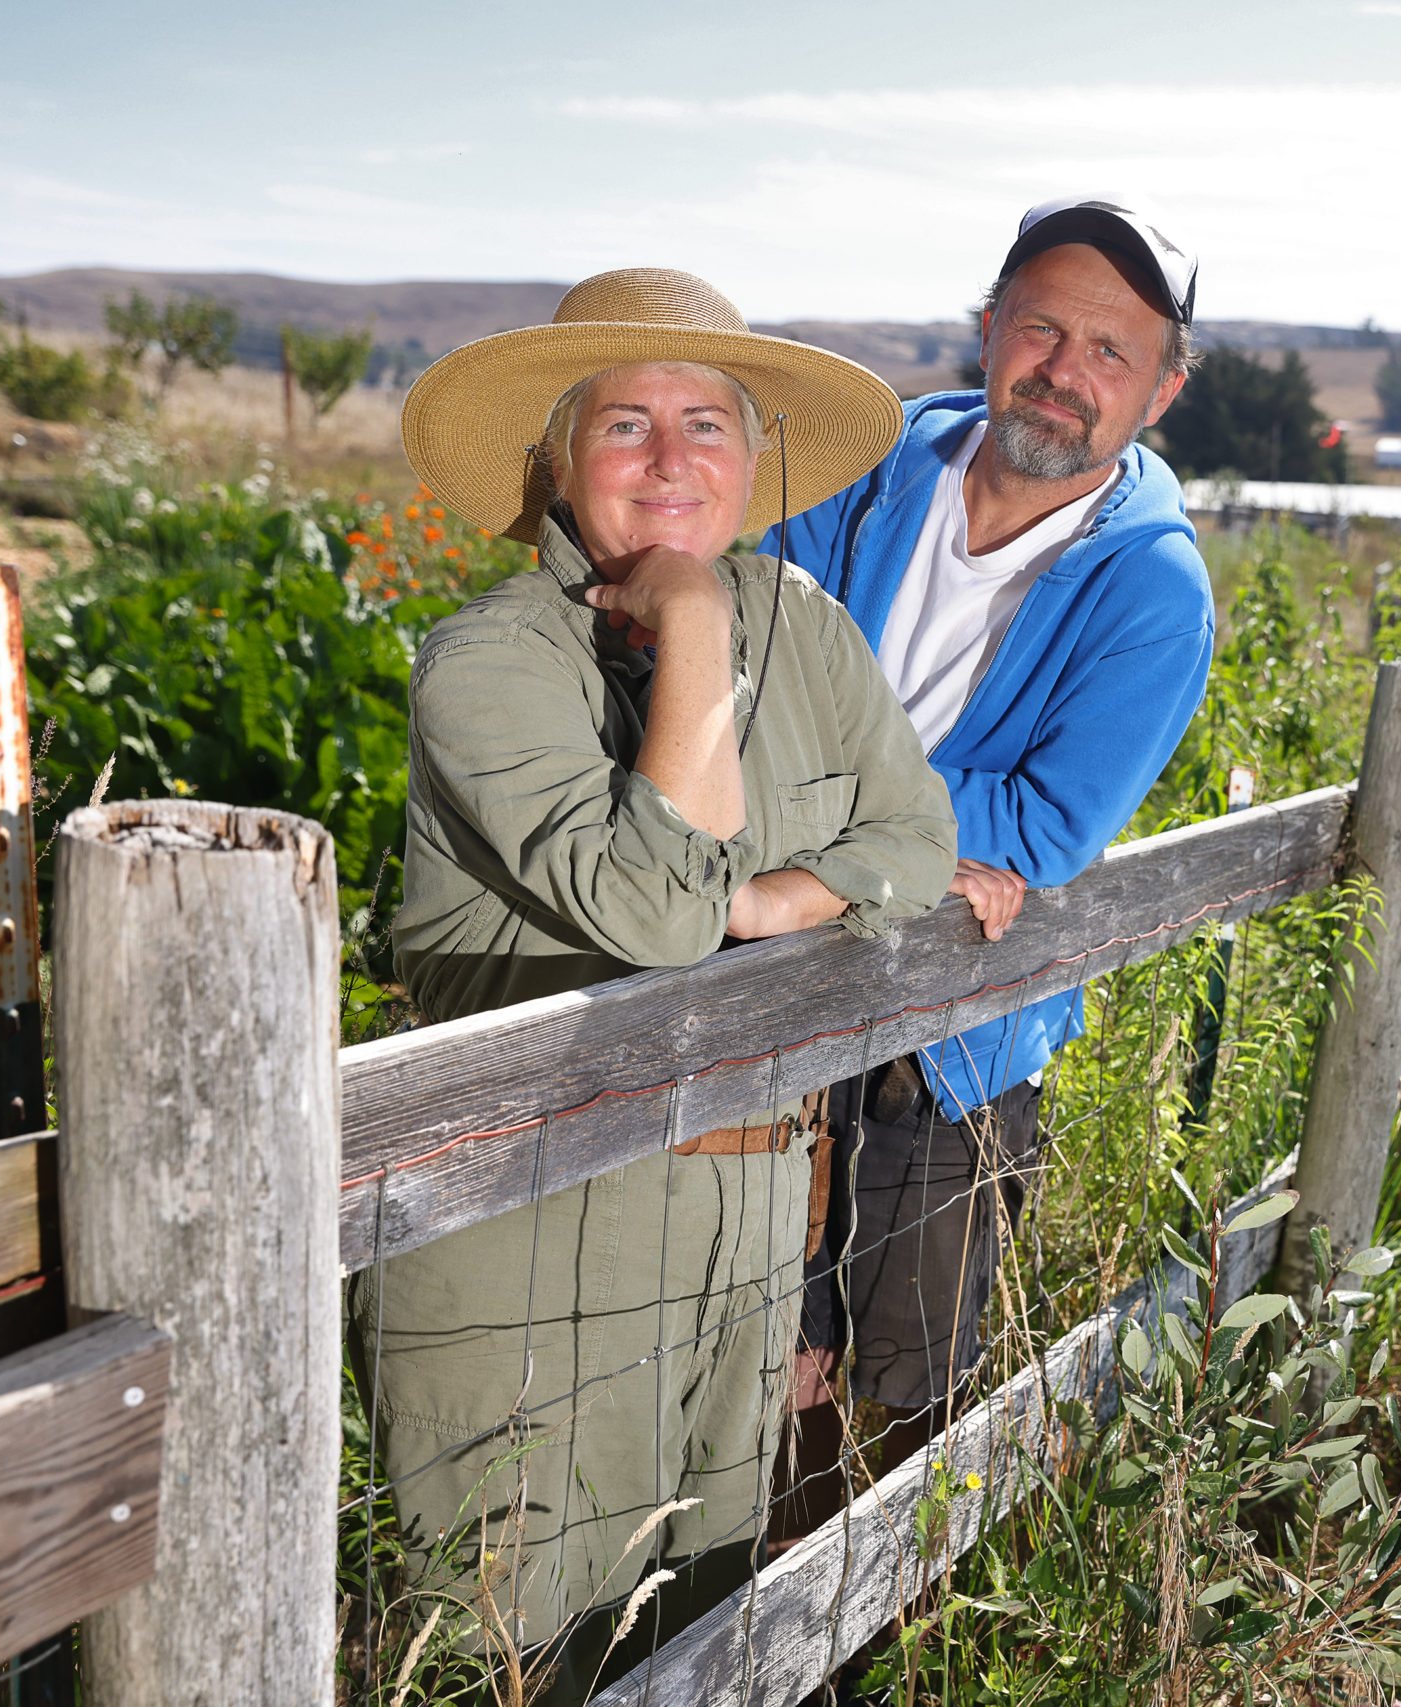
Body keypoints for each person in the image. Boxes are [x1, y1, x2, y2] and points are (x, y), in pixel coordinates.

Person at [361, 268, 958, 1699]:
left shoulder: (808, 625)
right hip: (527, 1219)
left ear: (754, 459)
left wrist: (772, 898)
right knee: (517, 1646)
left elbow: (920, 837)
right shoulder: (492, 660)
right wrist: (689, 619)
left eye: (708, 422)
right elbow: (648, 905)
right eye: (626, 425)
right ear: (558, 463)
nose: (674, 459)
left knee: (703, 1627)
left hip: (751, 1218)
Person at [771, 199, 1215, 1534]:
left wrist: (818, 802)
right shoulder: (857, 466)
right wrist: (905, 828)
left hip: (952, 1049)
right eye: (1042, 327)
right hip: (764, 1000)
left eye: (1111, 351)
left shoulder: (1153, 588)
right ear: (988, 327)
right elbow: (750, 694)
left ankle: (860, 1650)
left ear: (1162, 390)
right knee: (739, 1365)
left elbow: (1044, 828)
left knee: (900, 1405)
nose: (1065, 372)